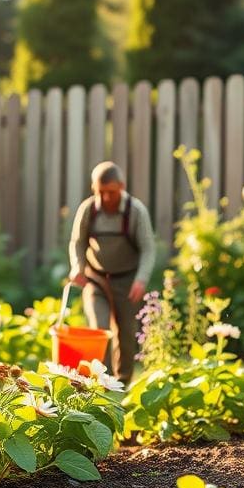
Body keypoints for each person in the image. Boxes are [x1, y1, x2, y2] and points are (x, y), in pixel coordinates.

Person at [68, 161, 155, 385]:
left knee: (126, 336)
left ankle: (122, 384)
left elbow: (148, 248)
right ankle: (101, 384)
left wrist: (141, 279)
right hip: (96, 280)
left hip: (127, 281)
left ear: (122, 186)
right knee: (100, 330)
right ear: (93, 188)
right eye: (100, 192)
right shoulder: (88, 209)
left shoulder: (135, 211)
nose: (106, 198)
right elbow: (77, 242)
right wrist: (77, 266)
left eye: (111, 192)